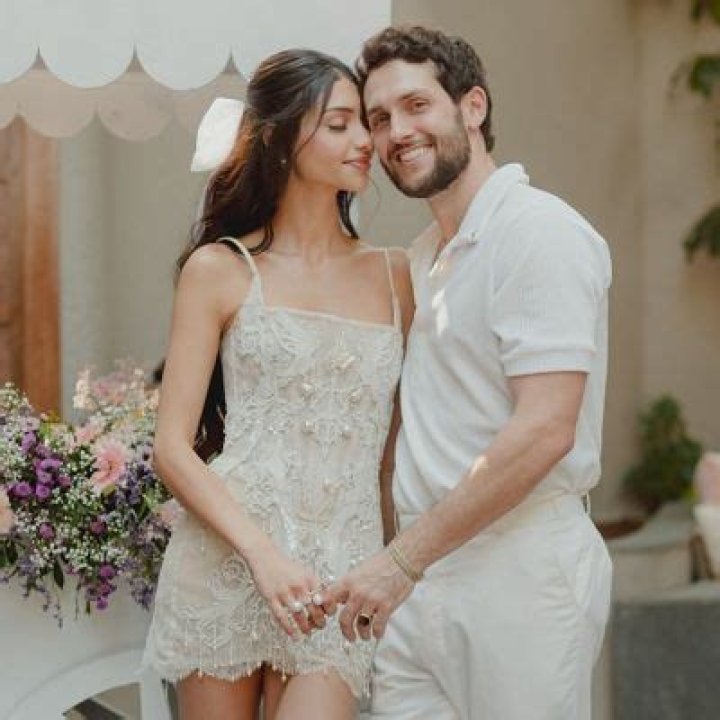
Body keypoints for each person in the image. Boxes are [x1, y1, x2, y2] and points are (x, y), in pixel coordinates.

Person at [322, 26, 613, 720]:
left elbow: (546, 430)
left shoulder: (539, 232)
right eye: (379, 118)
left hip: (520, 574)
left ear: (472, 106)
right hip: (421, 582)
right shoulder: (424, 256)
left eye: (416, 105)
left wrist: (400, 561)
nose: (397, 132)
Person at [142, 48, 413, 720]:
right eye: (340, 124)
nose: (365, 141)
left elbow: (392, 458)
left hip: (340, 579)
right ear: (283, 139)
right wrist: (264, 558)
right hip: (228, 564)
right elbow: (172, 448)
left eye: (365, 123)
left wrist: (398, 568)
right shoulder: (219, 269)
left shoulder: (398, 277)